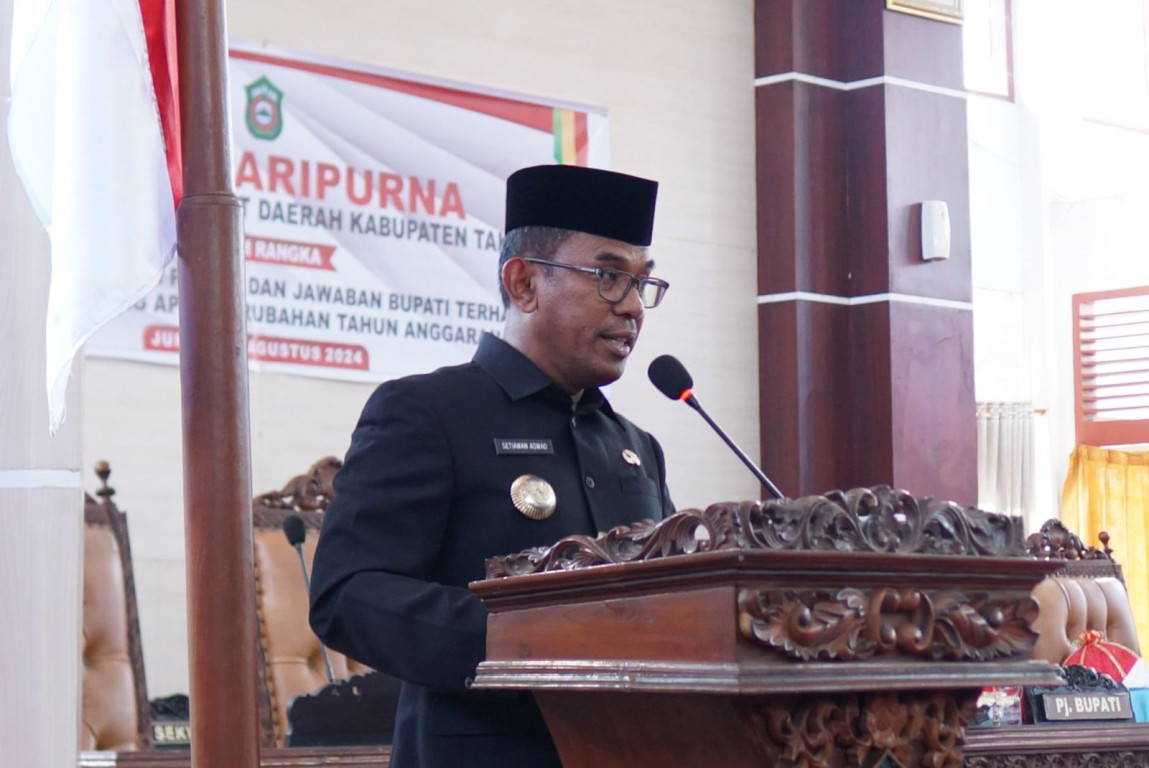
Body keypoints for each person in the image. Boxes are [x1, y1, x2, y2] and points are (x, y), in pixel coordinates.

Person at [309, 164, 676, 768]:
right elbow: (347, 595)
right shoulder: (428, 412)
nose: (635, 307)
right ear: (524, 282)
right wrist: (532, 641)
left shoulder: (635, 446)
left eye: (643, 283)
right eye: (610, 277)